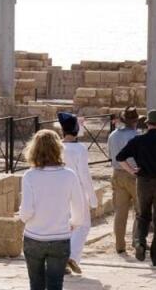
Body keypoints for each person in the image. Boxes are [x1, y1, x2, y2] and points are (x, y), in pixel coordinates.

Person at [19, 129, 85, 290]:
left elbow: (26, 212)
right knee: (56, 284)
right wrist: (72, 224)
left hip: (34, 237)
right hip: (60, 237)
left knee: (36, 284)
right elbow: (79, 208)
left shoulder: (29, 176)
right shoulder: (69, 175)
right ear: (58, 149)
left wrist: (24, 217)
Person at [115, 110, 156, 267]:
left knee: (143, 216)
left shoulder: (138, 140)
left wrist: (132, 170)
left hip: (143, 182)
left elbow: (120, 158)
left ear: (147, 124)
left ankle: (140, 242)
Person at [57, 112, 98, 274]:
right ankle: (71, 256)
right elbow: (84, 174)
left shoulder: (58, 146)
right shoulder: (80, 149)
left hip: (60, 190)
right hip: (77, 190)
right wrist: (92, 198)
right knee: (82, 225)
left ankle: (61, 260)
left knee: (65, 225)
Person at [107, 106, 141, 255]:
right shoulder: (137, 136)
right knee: (140, 212)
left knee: (120, 212)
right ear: (135, 121)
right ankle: (137, 241)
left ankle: (120, 245)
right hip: (134, 174)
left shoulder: (113, 135)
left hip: (117, 173)